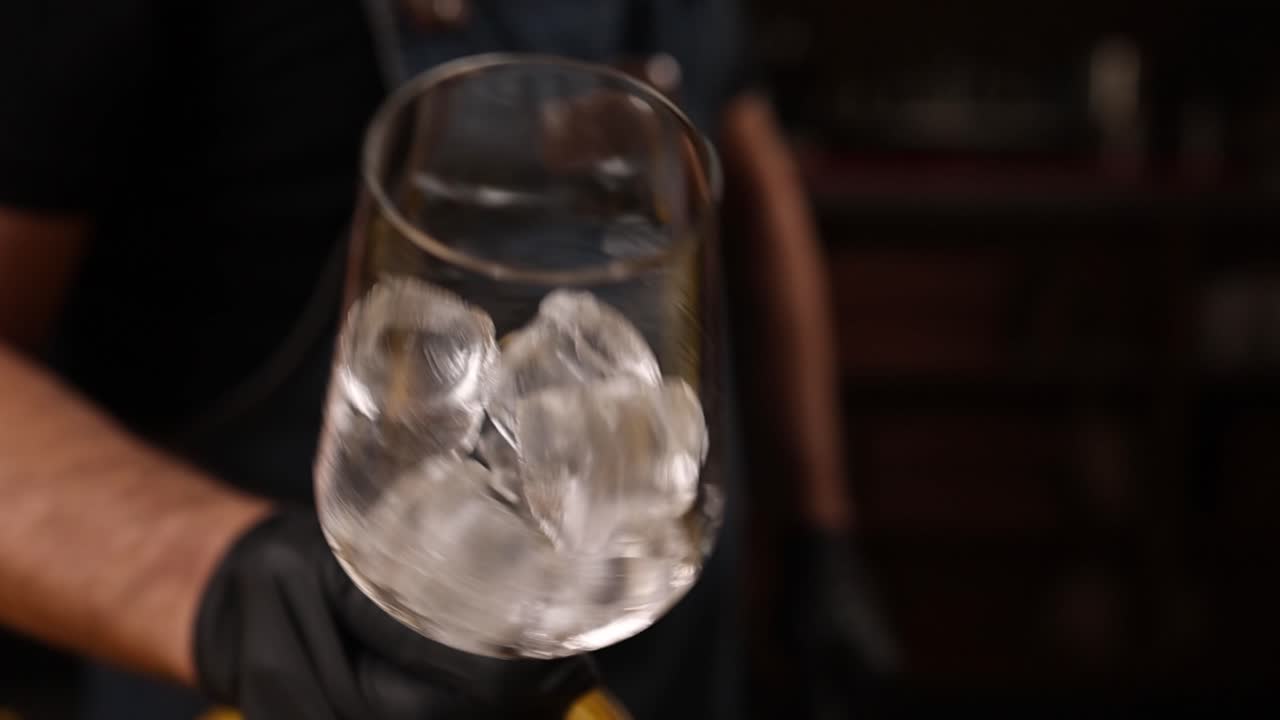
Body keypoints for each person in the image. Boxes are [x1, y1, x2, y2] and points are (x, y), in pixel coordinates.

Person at [0, 1, 867, 718]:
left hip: (658, 649)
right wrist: (218, 580)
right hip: (287, 676)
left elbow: (743, 158)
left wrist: (818, 526)